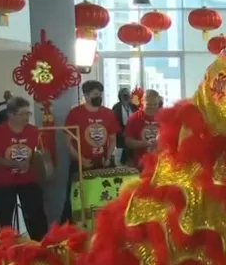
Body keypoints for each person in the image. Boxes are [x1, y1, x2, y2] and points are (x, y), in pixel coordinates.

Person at [0, 96, 48, 240]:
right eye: (23, 114)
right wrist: (15, 164)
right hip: (3, 182)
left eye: (28, 113)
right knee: (4, 220)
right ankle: (6, 252)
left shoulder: (33, 131)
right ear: (11, 115)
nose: (27, 117)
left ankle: (39, 248)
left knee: (36, 217)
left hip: (28, 180)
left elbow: (34, 153)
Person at [60, 80, 119, 223]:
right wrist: (81, 159)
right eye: (95, 94)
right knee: (75, 199)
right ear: (86, 96)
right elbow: (68, 141)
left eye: (100, 94)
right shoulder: (75, 113)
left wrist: (108, 156)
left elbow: (112, 139)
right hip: (80, 164)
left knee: (106, 197)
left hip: (103, 163)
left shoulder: (108, 113)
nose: (98, 97)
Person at [124, 89, 162, 171]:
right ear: (142, 102)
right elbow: (128, 142)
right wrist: (146, 143)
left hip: (161, 166)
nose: (152, 107)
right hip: (141, 166)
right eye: (149, 104)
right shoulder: (134, 118)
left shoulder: (164, 117)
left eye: (155, 104)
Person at [112, 87, 138, 165]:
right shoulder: (116, 107)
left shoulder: (134, 106)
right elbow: (114, 122)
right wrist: (122, 132)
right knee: (122, 155)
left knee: (132, 153)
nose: (127, 96)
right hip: (121, 134)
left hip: (132, 134)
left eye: (128, 94)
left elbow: (138, 119)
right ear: (120, 96)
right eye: (124, 95)